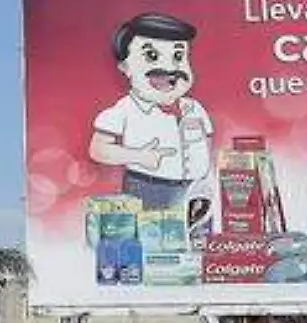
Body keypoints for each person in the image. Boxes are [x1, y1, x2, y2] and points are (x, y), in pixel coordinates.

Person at [87, 12, 215, 211]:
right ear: (125, 67)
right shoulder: (125, 109)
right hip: (149, 187)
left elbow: (206, 146)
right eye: (152, 56)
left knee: (194, 237)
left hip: (195, 189)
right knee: (153, 237)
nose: (169, 67)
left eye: (178, 56)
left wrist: (207, 178)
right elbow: (98, 149)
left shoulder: (195, 108)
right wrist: (138, 156)